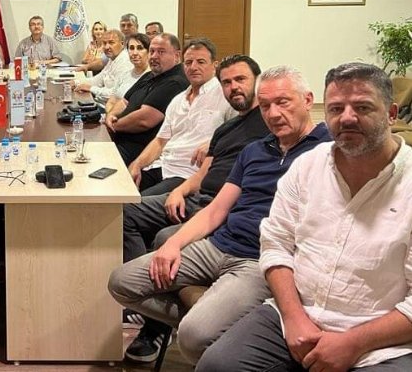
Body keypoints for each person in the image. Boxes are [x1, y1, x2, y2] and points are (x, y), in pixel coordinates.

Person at [108, 65, 331, 364]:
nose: (273, 113)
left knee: (193, 336)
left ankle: (210, 325)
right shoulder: (254, 150)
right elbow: (216, 210)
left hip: (259, 259)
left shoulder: (328, 150)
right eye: (265, 106)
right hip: (218, 245)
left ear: (308, 100)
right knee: (121, 282)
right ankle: (220, 323)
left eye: (283, 102)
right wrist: (174, 244)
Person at [198, 62, 412, 372]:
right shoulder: (307, 166)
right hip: (296, 315)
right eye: (336, 108)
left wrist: (353, 343)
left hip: (380, 342)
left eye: (362, 107)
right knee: (216, 365)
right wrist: (294, 317)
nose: (347, 117)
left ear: (391, 113)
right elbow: (276, 245)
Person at [122, 55, 268, 264]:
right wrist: (179, 192)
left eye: (240, 79)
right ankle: (141, 270)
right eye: (227, 82)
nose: (234, 87)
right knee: (124, 211)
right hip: (196, 197)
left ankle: (151, 273)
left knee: (165, 237)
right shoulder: (225, 129)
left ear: (257, 80)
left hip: (222, 206)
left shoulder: (269, 123)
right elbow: (201, 175)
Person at [128, 38, 237, 195]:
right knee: (115, 192)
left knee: (129, 205)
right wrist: (137, 164)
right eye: (188, 62)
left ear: (215, 65)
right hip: (161, 166)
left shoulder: (225, 96)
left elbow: (241, 133)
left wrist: (214, 144)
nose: (193, 67)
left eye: (201, 62)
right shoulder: (178, 100)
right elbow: (160, 141)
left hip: (187, 174)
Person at [106, 33, 189, 166]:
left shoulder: (175, 82)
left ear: (177, 55)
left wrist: (113, 126)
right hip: (120, 138)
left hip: (139, 149)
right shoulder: (150, 75)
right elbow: (124, 101)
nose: (154, 56)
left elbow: (144, 120)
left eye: (161, 52)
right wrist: (110, 115)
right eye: (152, 51)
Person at [73, 29, 133, 104]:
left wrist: (91, 88)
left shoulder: (125, 61)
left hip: (111, 107)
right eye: (104, 43)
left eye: (111, 43)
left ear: (122, 44)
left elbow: (116, 94)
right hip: (102, 103)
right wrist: (76, 83)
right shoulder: (112, 59)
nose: (107, 47)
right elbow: (97, 80)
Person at [105, 33, 151, 115]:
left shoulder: (152, 78)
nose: (135, 53)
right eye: (131, 48)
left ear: (148, 52)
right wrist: (111, 116)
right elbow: (111, 102)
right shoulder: (124, 75)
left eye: (140, 48)